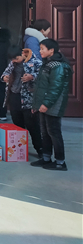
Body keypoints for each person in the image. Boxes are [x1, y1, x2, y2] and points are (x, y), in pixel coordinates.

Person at [30, 39, 73, 171]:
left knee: (54, 132)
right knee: (45, 132)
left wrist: (46, 104)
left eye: (43, 49)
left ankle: (60, 162)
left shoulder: (58, 66)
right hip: (44, 102)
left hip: (54, 103)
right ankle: (46, 158)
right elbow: (41, 87)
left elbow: (56, 88)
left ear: (51, 50)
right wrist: (36, 105)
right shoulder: (47, 63)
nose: (40, 51)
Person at [1, 45, 42, 157]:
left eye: (16, 58)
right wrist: (5, 77)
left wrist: (32, 77)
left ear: (23, 54)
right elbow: (5, 72)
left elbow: (43, 77)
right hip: (15, 94)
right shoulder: (13, 63)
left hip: (29, 97)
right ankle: (20, 149)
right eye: (12, 59)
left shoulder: (36, 62)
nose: (14, 61)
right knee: (17, 123)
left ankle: (40, 149)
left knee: (32, 124)